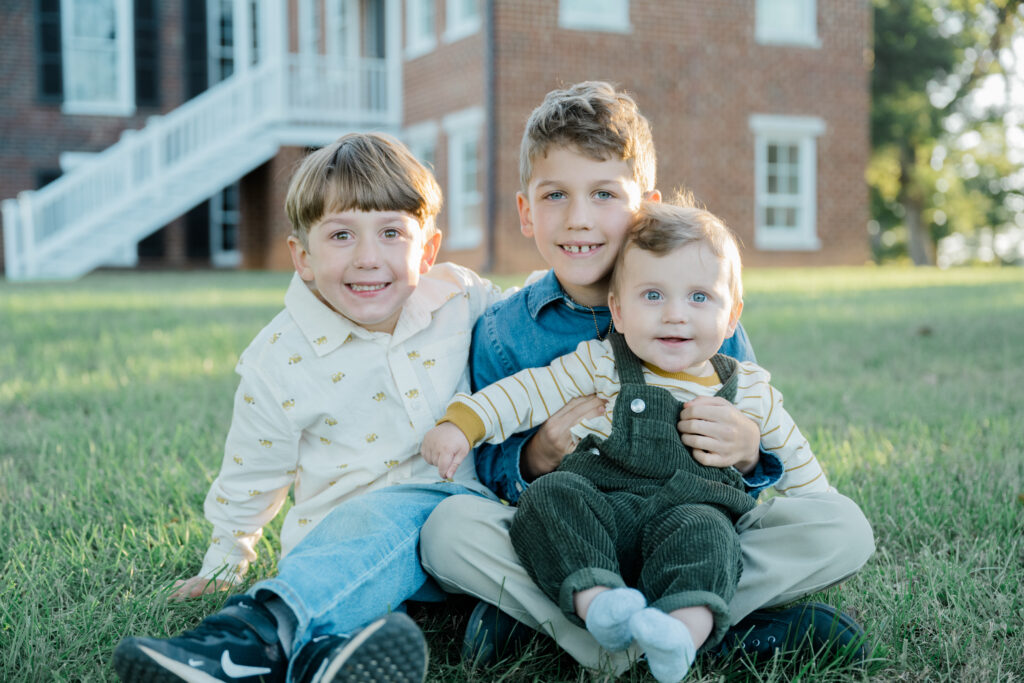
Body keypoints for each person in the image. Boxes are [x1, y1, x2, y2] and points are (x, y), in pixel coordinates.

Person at [418, 81, 875, 675]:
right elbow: (492, 471)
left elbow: (765, 438)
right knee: (449, 529)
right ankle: (691, 633)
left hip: (691, 520)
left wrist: (745, 455)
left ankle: (589, 631)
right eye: (556, 195)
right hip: (571, 520)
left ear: (645, 208)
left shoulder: (704, 314)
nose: (579, 218)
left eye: (604, 193)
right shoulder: (506, 330)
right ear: (526, 212)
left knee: (842, 527)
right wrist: (534, 457)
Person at [112, 132, 504, 683]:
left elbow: (537, 322)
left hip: (459, 534)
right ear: (303, 257)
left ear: (428, 250)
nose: (369, 258)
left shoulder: (460, 299)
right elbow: (254, 468)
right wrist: (228, 558)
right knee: (373, 553)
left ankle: (263, 643)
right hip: (341, 551)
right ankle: (280, 647)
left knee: (454, 515)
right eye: (341, 235)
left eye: (392, 232)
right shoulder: (279, 359)